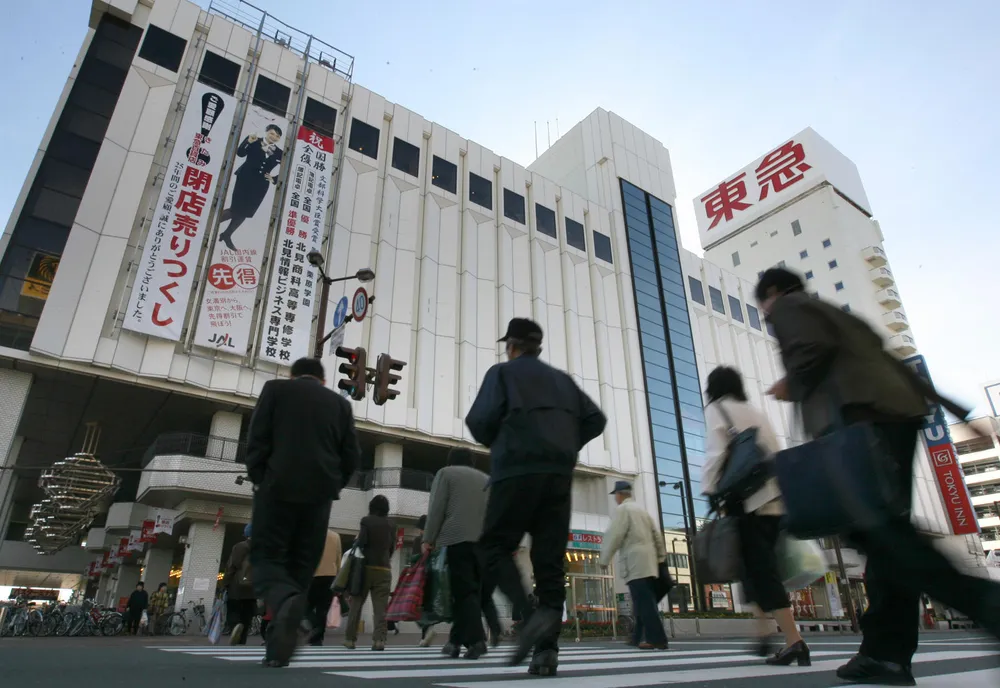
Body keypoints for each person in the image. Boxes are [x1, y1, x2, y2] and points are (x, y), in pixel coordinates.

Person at [756, 267, 1000, 685]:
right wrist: (957, 411)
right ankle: (885, 655)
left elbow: (810, 350)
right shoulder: (834, 313)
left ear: (773, 293)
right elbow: (896, 363)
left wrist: (791, 383)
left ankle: (985, 605)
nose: (765, 313)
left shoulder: (789, 306)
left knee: (878, 533)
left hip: (860, 423)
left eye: (763, 305)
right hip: (898, 417)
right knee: (886, 536)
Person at [467, 317, 607, 676]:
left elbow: (479, 422)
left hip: (515, 470)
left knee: (493, 547)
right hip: (558, 476)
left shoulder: (502, 373)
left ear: (511, 346)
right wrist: (565, 444)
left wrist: (506, 441)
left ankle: (530, 619)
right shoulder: (563, 381)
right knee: (550, 565)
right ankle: (547, 652)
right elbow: (597, 419)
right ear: (537, 347)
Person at [245, 357, 360, 668]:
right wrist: (333, 485)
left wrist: (259, 477)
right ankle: (278, 650)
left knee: (267, 558)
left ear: (292, 375)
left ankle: (286, 603)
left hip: (276, 487)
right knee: (301, 566)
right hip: (319, 496)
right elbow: (351, 455)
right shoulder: (340, 404)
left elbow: (257, 437)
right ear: (323, 381)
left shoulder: (275, 390)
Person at [701, 365, 807, 665]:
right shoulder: (755, 412)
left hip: (749, 502)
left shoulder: (718, 409)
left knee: (761, 571)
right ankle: (763, 632)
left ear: (713, 389)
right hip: (774, 500)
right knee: (752, 568)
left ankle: (794, 641)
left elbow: (716, 452)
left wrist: (709, 488)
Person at [422, 448, 491, 659]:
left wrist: (428, 538)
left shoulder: (446, 473)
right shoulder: (486, 479)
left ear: (450, 460)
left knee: (463, 592)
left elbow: (437, 507)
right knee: (471, 592)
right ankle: (454, 642)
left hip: (457, 539)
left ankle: (477, 640)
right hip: (484, 543)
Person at [600, 481, 669, 651]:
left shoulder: (623, 510)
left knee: (644, 602)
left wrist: (604, 558)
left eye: (616, 495)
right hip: (650, 562)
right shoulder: (642, 511)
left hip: (634, 561)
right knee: (641, 602)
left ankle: (657, 639)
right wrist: (661, 558)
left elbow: (614, 535)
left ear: (619, 495)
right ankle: (636, 637)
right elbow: (657, 536)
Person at [218, 124, 283, 250]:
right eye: (272, 133)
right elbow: (240, 153)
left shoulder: (280, 153)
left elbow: (287, 170)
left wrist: (274, 178)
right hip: (245, 179)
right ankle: (211, 223)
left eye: (277, 136)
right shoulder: (254, 140)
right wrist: (248, 142)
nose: (274, 137)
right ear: (266, 132)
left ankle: (227, 234)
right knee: (235, 209)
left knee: (246, 212)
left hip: (261, 185)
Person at [344, 495, 395, 651]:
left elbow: (362, 542)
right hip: (384, 570)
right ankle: (379, 640)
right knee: (381, 608)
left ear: (371, 507)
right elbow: (391, 548)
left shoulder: (366, 521)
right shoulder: (391, 524)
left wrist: (356, 540)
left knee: (356, 604)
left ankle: (350, 639)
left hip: (365, 568)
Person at [307, 529, 343, 646]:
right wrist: (338, 577)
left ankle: (315, 629)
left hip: (312, 575)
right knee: (322, 608)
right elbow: (338, 558)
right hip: (330, 576)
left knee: (305, 606)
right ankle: (317, 638)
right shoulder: (335, 536)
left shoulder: (310, 534)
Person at [223, 524, 256, 645]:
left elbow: (232, 566)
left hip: (237, 587)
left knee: (234, 612)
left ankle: (235, 627)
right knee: (247, 617)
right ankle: (242, 641)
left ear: (246, 534)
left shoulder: (240, 546)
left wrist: (225, 583)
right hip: (253, 589)